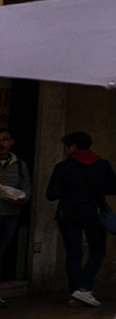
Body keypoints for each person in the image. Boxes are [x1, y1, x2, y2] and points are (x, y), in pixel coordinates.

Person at [46, 131, 116, 307]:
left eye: (66, 146)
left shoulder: (62, 168)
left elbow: (51, 194)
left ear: (73, 147)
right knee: (97, 250)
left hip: (68, 215)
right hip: (94, 214)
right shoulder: (102, 165)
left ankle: (75, 293)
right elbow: (114, 188)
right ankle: (85, 288)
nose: (65, 150)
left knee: (73, 254)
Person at [0, 127, 29, 303]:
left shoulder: (19, 165)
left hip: (10, 215)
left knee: (1, 252)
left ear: (11, 142)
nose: (1, 144)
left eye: (4, 139)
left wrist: (20, 199)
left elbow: (27, 188)